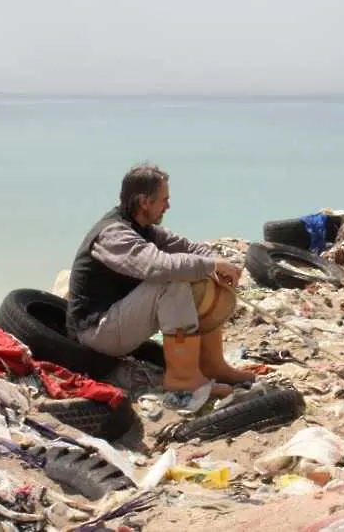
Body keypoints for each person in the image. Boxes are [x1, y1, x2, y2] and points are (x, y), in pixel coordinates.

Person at [65, 162, 256, 398]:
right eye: (164, 200)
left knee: (201, 278)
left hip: (119, 322)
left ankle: (212, 366)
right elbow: (159, 267)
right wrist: (211, 265)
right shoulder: (113, 234)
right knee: (170, 281)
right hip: (96, 332)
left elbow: (189, 248)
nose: (168, 206)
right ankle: (184, 379)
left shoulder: (147, 229)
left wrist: (215, 265)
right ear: (144, 202)